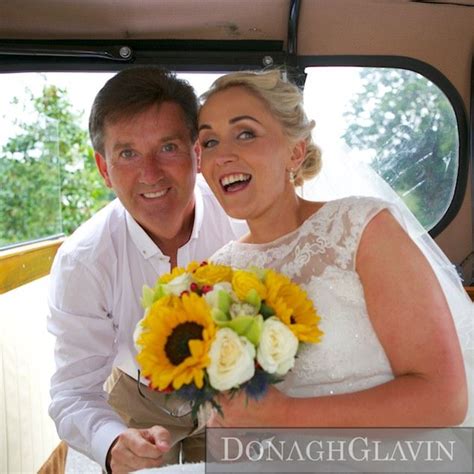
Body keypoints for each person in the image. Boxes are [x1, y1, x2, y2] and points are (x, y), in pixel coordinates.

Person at [197, 69, 473, 428]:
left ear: (295, 152)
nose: (222, 156)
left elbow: (443, 401)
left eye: (245, 133)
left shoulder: (361, 228)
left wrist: (282, 415)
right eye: (209, 142)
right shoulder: (221, 270)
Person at [47, 66, 246, 473]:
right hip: (136, 400)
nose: (151, 173)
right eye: (128, 154)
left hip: (240, 393)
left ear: (196, 153)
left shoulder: (244, 220)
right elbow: (72, 392)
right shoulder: (82, 260)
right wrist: (112, 441)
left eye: (168, 148)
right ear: (104, 169)